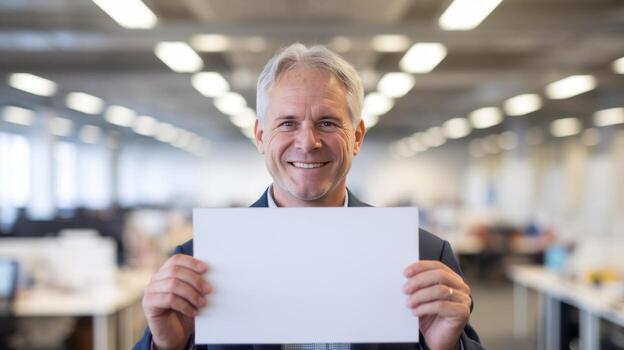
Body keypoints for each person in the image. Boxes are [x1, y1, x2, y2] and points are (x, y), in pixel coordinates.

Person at [134, 43, 483, 350]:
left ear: (357, 136)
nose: (307, 142)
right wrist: (166, 347)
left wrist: (446, 349)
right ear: (260, 136)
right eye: (287, 123)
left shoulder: (425, 256)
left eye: (328, 123)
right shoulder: (196, 262)